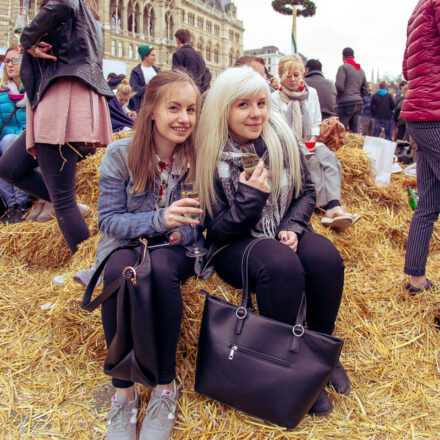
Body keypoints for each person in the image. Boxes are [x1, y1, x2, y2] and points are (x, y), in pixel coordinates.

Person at [196, 66, 350, 417]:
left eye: (262, 103)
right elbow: (217, 232)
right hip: (236, 245)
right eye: (243, 105)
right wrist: (250, 198)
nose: (256, 113)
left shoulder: (281, 136)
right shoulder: (209, 152)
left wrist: (293, 226)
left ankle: (319, 351)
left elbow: (307, 192)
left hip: (282, 225)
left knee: (326, 258)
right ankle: (286, 366)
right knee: (281, 266)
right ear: (224, 108)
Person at [98, 70, 202, 440]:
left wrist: (178, 229)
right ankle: (123, 393)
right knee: (118, 273)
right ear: (151, 110)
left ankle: (164, 387)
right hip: (127, 243)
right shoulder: (120, 154)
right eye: (174, 107)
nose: (184, 119)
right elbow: (108, 221)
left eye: (191, 109)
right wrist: (158, 219)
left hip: (174, 249)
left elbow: (197, 225)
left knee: (158, 271)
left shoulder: (195, 156)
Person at [0, 0, 113, 253]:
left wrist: (26, 39)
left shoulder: (70, 7)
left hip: (60, 100)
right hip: (57, 97)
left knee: (62, 201)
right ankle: (72, 207)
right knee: (10, 167)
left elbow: (63, 4)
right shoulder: (88, 15)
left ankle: (91, 270)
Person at [272, 54, 359, 231]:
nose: (293, 79)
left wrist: (312, 139)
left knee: (328, 157)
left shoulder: (311, 93)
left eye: (296, 75)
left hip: (308, 140)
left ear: (302, 74)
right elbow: (278, 128)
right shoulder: (275, 98)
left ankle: (335, 204)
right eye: (288, 76)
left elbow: (316, 121)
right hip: (288, 145)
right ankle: (323, 207)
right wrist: (298, 146)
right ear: (281, 75)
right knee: (310, 161)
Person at [401, 0, 440, 294]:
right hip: (436, 114)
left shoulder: (418, 10)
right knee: (427, 205)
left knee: (426, 205)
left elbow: (406, 68)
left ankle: (416, 280)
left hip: (418, 116)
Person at [0, 44, 31, 223]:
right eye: (7, 61)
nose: (9, 64)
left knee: (10, 140)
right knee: (5, 141)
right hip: (7, 146)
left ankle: (22, 202)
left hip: (27, 143)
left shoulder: (35, 89)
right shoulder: (2, 95)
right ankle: (11, 205)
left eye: (15, 60)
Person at [335, 47, 368, 133]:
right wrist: (357, 96)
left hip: (345, 104)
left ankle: (343, 147)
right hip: (358, 103)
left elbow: (339, 85)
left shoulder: (343, 68)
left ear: (343, 57)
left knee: (342, 132)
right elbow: (365, 89)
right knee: (355, 133)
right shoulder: (361, 70)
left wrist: (339, 97)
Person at [129, 45, 160, 112]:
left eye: (155, 55)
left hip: (157, 105)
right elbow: (134, 90)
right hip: (142, 107)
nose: (155, 58)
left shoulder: (157, 70)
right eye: (152, 55)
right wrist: (149, 87)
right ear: (145, 56)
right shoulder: (136, 72)